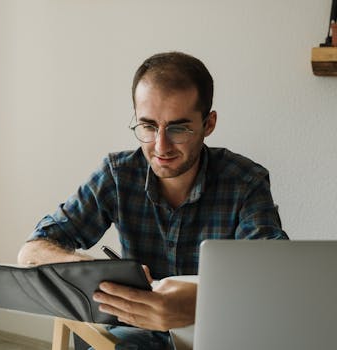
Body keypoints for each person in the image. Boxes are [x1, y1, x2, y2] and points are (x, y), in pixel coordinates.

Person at [17, 51, 288, 349]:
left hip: (217, 334)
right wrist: (93, 271)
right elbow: (32, 251)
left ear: (208, 124)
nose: (161, 146)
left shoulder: (245, 182)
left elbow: (273, 277)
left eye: (178, 128)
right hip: (132, 336)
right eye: (147, 126)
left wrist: (201, 301)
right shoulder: (118, 174)